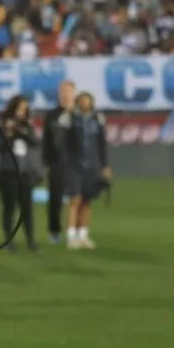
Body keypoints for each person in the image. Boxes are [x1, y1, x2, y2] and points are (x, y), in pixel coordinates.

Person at [0, 94, 40, 251]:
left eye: (24, 110)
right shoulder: (3, 125)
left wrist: (24, 132)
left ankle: (30, 240)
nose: (21, 113)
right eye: (19, 109)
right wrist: (9, 134)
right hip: (8, 172)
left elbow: (35, 142)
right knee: (9, 207)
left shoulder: (27, 126)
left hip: (25, 172)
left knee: (27, 208)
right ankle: (9, 240)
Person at [64, 92, 111, 250]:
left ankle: (83, 235)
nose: (85, 104)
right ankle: (71, 236)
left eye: (88, 101)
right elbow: (64, 143)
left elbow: (102, 144)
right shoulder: (71, 119)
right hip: (75, 165)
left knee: (87, 201)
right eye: (83, 101)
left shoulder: (97, 120)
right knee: (75, 199)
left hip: (92, 166)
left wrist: (105, 165)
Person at [41, 80, 76, 244]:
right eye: (63, 92)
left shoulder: (78, 115)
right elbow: (46, 140)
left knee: (77, 198)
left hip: (75, 163)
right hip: (56, 163)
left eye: (68, 92)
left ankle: (74, 231)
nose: (65, 95)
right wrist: (46, 162)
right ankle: (54, 231)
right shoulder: (52, 115)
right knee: (55, 199)